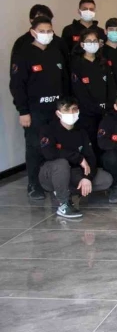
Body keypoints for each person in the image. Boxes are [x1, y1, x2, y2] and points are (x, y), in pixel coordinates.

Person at [9, 16, 69, 199]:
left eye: (49, 31)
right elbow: (17, 86)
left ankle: (53, 181)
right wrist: (23, 111)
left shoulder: (56, 52)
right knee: (35, 147)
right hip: (35, 112)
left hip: (56, 111)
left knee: (56, 145)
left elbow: (64, 81)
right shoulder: (23, 54)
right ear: (33, 32)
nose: (46, 34)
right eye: (42, 31)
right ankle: (34, 184)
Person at [38, 97, 113, 217]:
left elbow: (90, 157)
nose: (71, 113)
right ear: (58, 113)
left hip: (74, 172)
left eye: (74, 109)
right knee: (62, 163)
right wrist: (79, 158)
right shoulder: (48, 129)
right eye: (66, 110)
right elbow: (49, 153)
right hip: (50, 173)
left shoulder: (81, 131)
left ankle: (65, 189)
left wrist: (87, 178)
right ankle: (64, 203)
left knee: (106, 179)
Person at [70, 28, 110, 159]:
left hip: (105, 111)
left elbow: (111, 87)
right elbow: (79, 91)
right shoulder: (76, 64)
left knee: (104, 141)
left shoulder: (103, 63)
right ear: (82, 44)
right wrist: (94, 108)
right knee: (90, 142)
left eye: (95, 41)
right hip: (87, 113)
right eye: (88, 41)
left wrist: (108, 106)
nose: (92, 44)